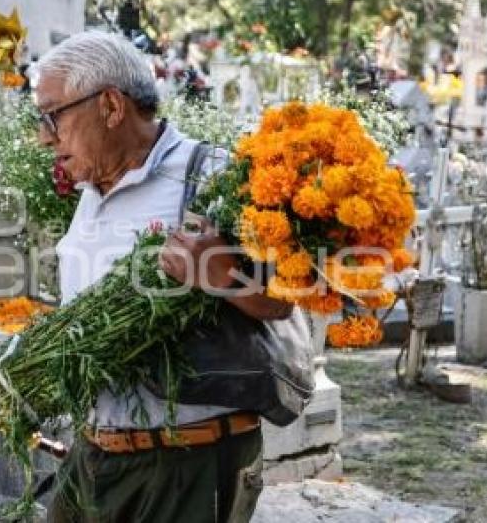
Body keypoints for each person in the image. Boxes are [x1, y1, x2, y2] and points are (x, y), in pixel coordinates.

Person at [30, 32, 292, 523]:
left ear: (110, 106)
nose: (44, 136)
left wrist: (222, 277)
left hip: (186, 464)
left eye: (52, 116)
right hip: (93, 457)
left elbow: (286, 299)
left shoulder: (212, 176)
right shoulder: (92, 187)